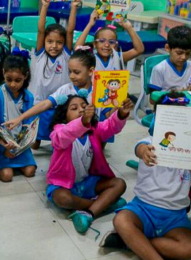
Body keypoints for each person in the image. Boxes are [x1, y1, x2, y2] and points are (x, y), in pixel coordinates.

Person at [100, 92, 191, 260]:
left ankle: (133, 243)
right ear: (158, 120)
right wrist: (145, 152)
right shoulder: (149, 142)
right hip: (143, 208)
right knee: (121, 220)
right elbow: (140, 149)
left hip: (175, 215)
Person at [46, 94, 130, 234]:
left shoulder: (94, 129)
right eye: (74, 108)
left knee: (119, 183)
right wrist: (82, 122)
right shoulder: (59, 131)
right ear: (64, 116)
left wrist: (121, 113)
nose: (81, 110)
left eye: (84, 107)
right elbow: (61, 138)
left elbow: (110, 127)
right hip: (64, 184)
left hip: (87, 182)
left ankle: (88, 213)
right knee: (62, 198)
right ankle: (102, 205)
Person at [29, 0, 80, 149]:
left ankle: (56, 141)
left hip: (60, 102)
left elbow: (70, 31)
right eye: (50, 41)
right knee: (36, 136)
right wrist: (45, 6)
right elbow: (40, 30)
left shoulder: (65, 55)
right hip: (40, 101)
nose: (54, 46)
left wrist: (73, 8)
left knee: (59, 136)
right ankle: (36, 138)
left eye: (59, 42)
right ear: (44, 41)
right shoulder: (40, 53)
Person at [3, 48, 95, 134]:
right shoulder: (66, 89)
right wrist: (20, 118)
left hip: (89, 134)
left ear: (91, 71)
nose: (71, 76)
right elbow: (45, 104)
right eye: (69, 71)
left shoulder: (98, 91)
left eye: (76, 72)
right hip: (68, 137)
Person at [0, 53, 37, 182]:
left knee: (30, 171)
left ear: (25, 76)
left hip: (20, 145)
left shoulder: (28, 97)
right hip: (1, 144)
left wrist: (22, 143)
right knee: (7, 176)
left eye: (18, 80)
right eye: (8, 79)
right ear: (3, 73)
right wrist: (5, 145)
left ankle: (20, 159)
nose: (13, 84)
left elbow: (28, 124)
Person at [148, 26, 191, 104]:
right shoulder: (159, 69)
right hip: (167, 109)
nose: (184, 57)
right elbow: (153, 100)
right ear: (167, 48)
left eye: (188, 53)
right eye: (179, 53)